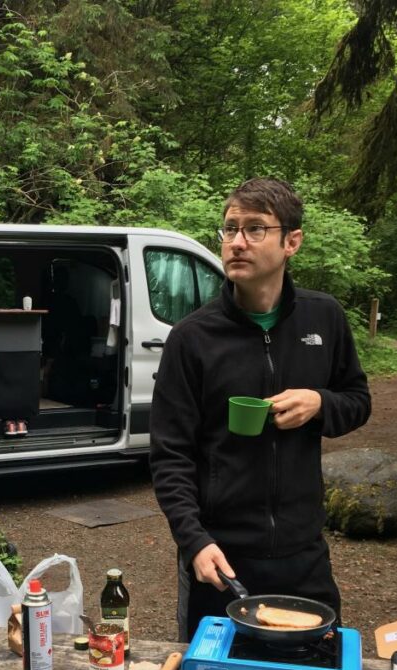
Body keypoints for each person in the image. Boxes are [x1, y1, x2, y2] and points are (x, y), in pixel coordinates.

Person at [149, 177, 371, 641]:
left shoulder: (323, 317)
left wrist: (319, 403)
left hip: (303, 552)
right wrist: (194, 540)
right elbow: (170, 454)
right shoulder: (193, 338)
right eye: (230, 229)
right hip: (221, 558)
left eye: (254, 229)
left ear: (292, 241)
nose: (236, 242)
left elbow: (357, 400)